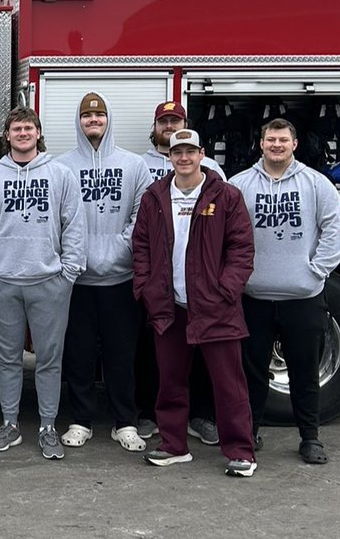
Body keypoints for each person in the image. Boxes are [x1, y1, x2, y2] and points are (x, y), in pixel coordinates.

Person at [132, 129, 258, 477]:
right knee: (170, 381)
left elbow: (241, 249)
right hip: (169, 307)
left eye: (190, 151)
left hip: (216, 307)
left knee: (228, 384)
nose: (183, 158)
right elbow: (140, 245)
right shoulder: (155, 197)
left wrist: (226, 290)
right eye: (177, 152)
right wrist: (145, 287)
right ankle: (173, 445)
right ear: (168, 157)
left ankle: (241, 451)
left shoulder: (226, 195)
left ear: (202, 154)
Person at [231, 118, 340, 465]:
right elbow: (227, 235)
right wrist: (239, 277)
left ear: (294, 144)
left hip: (303, 298)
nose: (276, 145)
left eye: (283, 139)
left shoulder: (317, 184)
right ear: (261, 144)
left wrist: (314, 272)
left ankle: (310, 438)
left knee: (304, 372)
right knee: (251, 374)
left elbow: (334, 231)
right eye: (270, 139)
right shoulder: (240, 185)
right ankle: (248, 434)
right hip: (254, 298)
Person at [0, 108, 85, 458]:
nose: (22, 133)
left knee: (50, 359)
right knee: (7, 359)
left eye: (29, 127)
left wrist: (68, 274)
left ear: (38, 133)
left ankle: (48, 426)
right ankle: (10, 424)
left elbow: (73, 226)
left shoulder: (60, 174)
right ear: (6, 135)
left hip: (48, 281)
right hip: (1, 282)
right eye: (16, 128)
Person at [55, 92, 153, 455]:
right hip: (77, 280)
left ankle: (124, 423)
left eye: (98, 116)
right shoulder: (62, 167)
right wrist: (74, 257)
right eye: (86, 117)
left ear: (108, 119)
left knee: (121, 355)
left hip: (119, 278)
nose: (92, 121)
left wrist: (116, 251)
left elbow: (140, 219)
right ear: (78, 122)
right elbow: (59, 221)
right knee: (78, 355)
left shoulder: (133, 166)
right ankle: (80, 421)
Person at [139, 100, 225, 445]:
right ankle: (148, 414)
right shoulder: (139, 166)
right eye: (164, 122)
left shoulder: (213, 171)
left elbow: (228, 223)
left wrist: (224, 284)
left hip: (202, 284)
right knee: (151, 353)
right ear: (156, 127)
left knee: (204, 354)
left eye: (176, 121)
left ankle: (202, 416)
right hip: (161, 282)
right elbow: (139, 227)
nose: (170, 127)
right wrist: (144, 282)